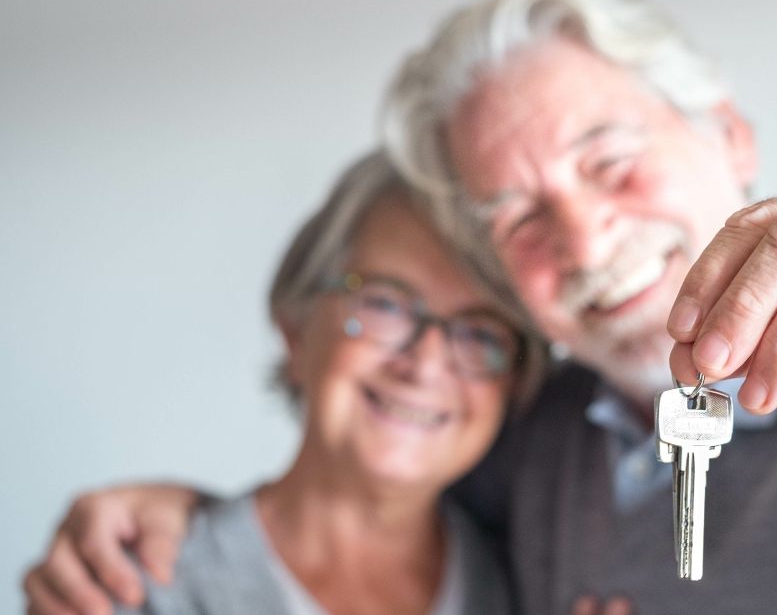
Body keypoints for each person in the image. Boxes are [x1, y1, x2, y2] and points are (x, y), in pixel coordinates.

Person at [25, 0, 777, 614]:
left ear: (727, 137)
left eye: (608, 157)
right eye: (517, 218)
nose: (584, 236)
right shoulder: (529, 448)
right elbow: (353, 529)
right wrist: (184, 515)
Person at [24, 150, 548, 615]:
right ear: (296, 329)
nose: (426, 362)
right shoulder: (135, 585)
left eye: (481, 333)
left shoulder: (537, 583)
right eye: (385, 303)